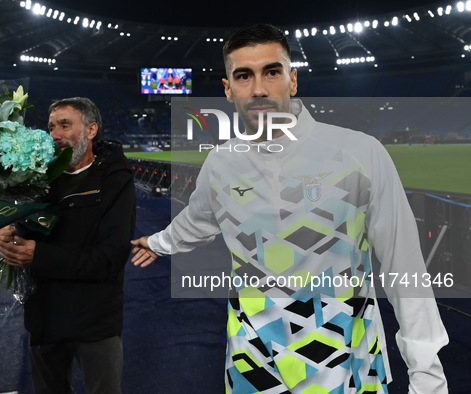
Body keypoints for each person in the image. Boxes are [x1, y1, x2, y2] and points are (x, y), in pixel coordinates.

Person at [131, 24, 448, 393]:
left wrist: (428, 377)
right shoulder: (221, 163)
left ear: (292, 80)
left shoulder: (361, 154)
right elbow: (197, 220)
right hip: (252, 363)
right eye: (244, 76)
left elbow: (403, 266)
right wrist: (158, 243)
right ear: (228, 89)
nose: (260, 88)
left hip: (346, 365)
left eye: (272, 72)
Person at [0, 97, 136, 393]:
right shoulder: (36, 176)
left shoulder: (115, 179)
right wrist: (5, 236)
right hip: (44, 318)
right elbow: (21, 231)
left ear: (91, 130)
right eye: (50, 127)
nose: (54, 134)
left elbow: (110, 258)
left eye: (64, 125)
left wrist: (38, 255)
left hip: (95, 322)